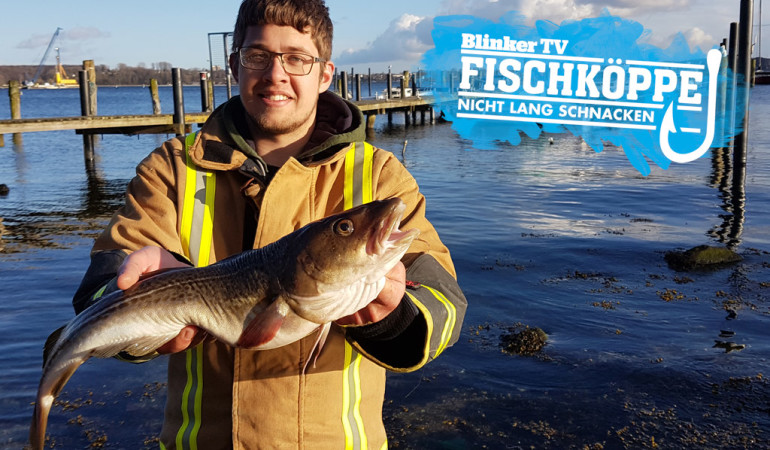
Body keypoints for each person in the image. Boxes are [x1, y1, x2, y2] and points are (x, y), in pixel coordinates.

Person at [72, 0, 467, 448]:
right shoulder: (172, 168)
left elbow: (445, 306)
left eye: (297, 58)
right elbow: (99, 290)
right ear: (234, 65)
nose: (276, 74)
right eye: (258, 56)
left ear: (324, 74)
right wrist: (134, 298)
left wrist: (391, 319)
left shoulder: (379, 177)